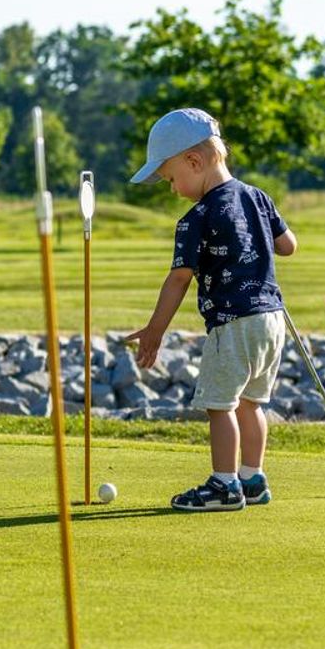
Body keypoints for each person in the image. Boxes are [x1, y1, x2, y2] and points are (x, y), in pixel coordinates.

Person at [124, 108, 297, 511]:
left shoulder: (196, 219)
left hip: (232, 323)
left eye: (170, 178)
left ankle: (225, 485)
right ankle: (253, 479)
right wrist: (252, 237)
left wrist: (154, 331)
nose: (172, 189)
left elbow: (179, 280)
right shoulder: (258, 197)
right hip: (272, 320)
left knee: (221, 406)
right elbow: (288, 246)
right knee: (252, 404)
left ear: (194, 161)